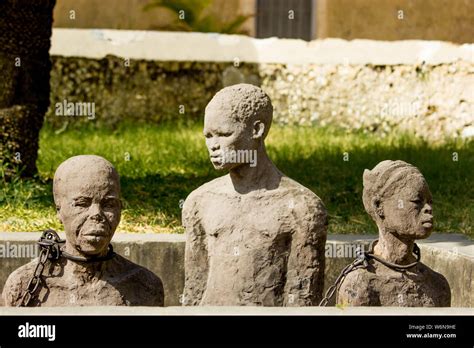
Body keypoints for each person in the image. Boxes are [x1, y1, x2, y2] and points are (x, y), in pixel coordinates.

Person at [182, 84, 327, 306]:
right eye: (208, 136)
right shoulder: (199, 202)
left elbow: (301, 300)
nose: (213, 146)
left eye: (223, 134)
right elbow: (194, 290)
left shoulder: (301, 207)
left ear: (256, 130)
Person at [2, 155, 164, 306]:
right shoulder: (24, 285)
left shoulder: (145, 286)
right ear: (59, 209)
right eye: (82, 203)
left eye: (108, 204)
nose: (96, 215)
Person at [337, 160, 451, 306]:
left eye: (430, 201)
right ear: (379, 206)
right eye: (417, 201)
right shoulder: (361, 285)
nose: (428, 208)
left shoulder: (438, 285)